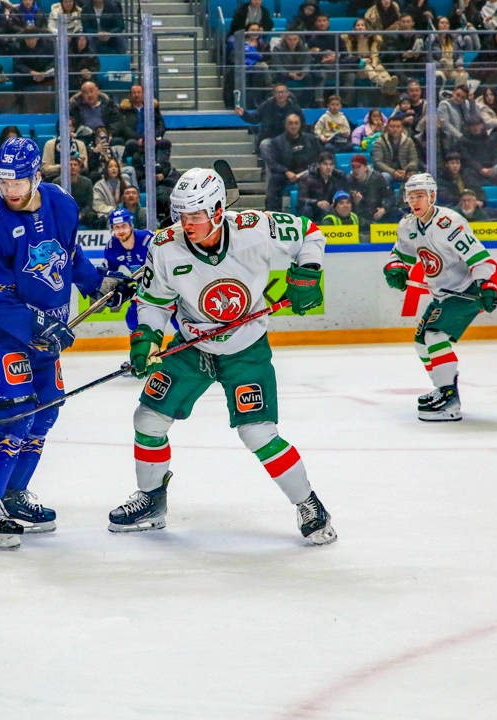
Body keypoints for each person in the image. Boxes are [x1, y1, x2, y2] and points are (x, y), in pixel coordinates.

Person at [107, 168, 336, 545]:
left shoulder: (254, 229)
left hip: (245, 349)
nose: (187, 223)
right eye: (181, 215)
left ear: (217, 210)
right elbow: (151, 301)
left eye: (195, 215)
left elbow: (310, 232)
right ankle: (151, 500)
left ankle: (309, 504)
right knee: (148, 418)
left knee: (257, 432)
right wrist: (146, 338)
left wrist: (308, 271)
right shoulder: (165, 246)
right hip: (191, 346)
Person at [0, 137, 133, 549]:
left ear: (36, 177)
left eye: (17, 183)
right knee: (17, 414)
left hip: (46, 336)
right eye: (2, 182)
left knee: (46, 412)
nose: (8, 191)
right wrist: (37, 324)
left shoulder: (61, 203)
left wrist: (97, 284)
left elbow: (68, 255)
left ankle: (12, 494)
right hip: (3, 336)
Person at [383, 173, 497, 421]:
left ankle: (449, 400)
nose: (415, 201)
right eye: (411, 197)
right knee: (421, 343)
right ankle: (444, 388)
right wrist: (396, 267)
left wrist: (485, 284)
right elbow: (400, 254)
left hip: (466, 291)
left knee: (434, 335)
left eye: (420, 196)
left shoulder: (449, 223)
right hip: (441, 295)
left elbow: (480, 258)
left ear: (432, 196)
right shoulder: (408, 225)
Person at [103, 207, 152, 330]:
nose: (121, 230)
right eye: (116, 227)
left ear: (131, 225)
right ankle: (138, 348)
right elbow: (109, 275)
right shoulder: (111, 247)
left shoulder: (148, 239)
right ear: (112, 229)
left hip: (165, 287)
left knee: (176, 318)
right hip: (144, 291)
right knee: (132, 318)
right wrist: (115, 289)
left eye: (124, 225)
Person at [264, 112, 321, 211]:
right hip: (286, 175)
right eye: (290, 123)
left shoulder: (311, 139)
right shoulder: (277, 142)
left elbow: (321, 157)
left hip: (308, 173)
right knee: (274, 182)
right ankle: (273, 215)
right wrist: (286, 172)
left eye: (296, 123)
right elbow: (272, 163)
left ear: (300, 125)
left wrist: (314, 167)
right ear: (286, 125)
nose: (293, 126)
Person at [235, 83, 302, 159]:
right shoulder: (266, 106)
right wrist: (243, 114)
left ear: (287, 94)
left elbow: (302, 124)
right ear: (273, 94)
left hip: (289, 138)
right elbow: (254, 118)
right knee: (264, 144)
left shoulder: (295, 107)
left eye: (282, 92)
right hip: (270, 138)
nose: (280, 95)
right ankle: (270, 168)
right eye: (277, 92)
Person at [458, 117, 497, 187]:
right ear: (468, 128)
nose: (475, 128)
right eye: (472, 126)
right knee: (468, 175)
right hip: (474, 169)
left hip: (492, 168)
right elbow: (466, 158)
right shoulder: (462, 141)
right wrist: (480, 169)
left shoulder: (491, 139)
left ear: (482, 126)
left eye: (477, 125)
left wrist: (494, 168)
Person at [298, 151, 350, 222]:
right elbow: (301, 199)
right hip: (313, 209)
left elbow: (342, 194)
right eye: (325, 164)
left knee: (344, 205)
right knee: (306, 209)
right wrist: (316, 203)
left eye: (331, 164)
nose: (328, 167)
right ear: (318, 165)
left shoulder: (338, 178)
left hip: (329, 210)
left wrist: (336, 203)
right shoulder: (307, 178)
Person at [347, 154, 394, 225]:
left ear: (366, 167)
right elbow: (344, 207)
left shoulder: (377, 178)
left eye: (358, 167)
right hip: (361, 215)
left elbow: (390, 196)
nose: (355, 170)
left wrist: (384, 209)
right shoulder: (348, 181)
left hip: (378, 211)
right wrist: (355, 203)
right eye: (353, 167)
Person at [373, 115, 419, 182]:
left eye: (398, 127)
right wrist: (393, 172)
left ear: (402, 128)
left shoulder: (409, 141)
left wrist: (406, 171)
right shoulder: (380, 141)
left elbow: (414, 160)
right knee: (384, 176)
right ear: (387, 128)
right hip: (387, 172)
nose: (395, 129)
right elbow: (378, 162)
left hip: (405, 172)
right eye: (392, 127)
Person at [437, 82, 481, 151]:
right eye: (457, 95)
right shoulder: (444, 104)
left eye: (463, 97)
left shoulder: (466, 104)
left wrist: (472, 102)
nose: (459, 99)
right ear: (453, 92)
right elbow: (445, 124)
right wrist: (460, 137)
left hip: (467, 138)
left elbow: (474, 119)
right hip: (452, 141)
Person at [93, 157, 128, 221]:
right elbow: (97, 204)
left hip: (124, 215)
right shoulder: (98, 186)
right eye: (110, 167)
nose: (114, 168)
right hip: (106, 215)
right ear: (106, 169)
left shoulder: (126, 184)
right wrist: (113, 211)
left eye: (116, 166)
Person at [68, 152, 96, 227]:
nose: (73, 167)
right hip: (63, 214)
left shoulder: (87, 182)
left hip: (82, 214)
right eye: (70, 165)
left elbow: (89, 203)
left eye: (75, 165)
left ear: (79, 167)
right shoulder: (57, 182)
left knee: (93, 216)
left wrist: (81, 215)